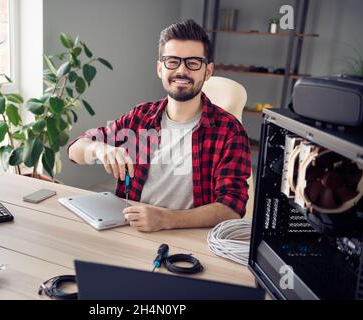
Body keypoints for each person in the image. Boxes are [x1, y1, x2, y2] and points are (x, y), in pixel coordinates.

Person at [68, 19, 251, 232]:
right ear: (160, 68)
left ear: (207, 71)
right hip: (129, 229)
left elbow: (232, 208)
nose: (182, 71)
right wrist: (97, 148)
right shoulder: (140, 117)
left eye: (193, 62)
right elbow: (74, 150)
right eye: (172, 61)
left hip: (188, 237)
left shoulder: (230, 132)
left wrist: (166, 219)